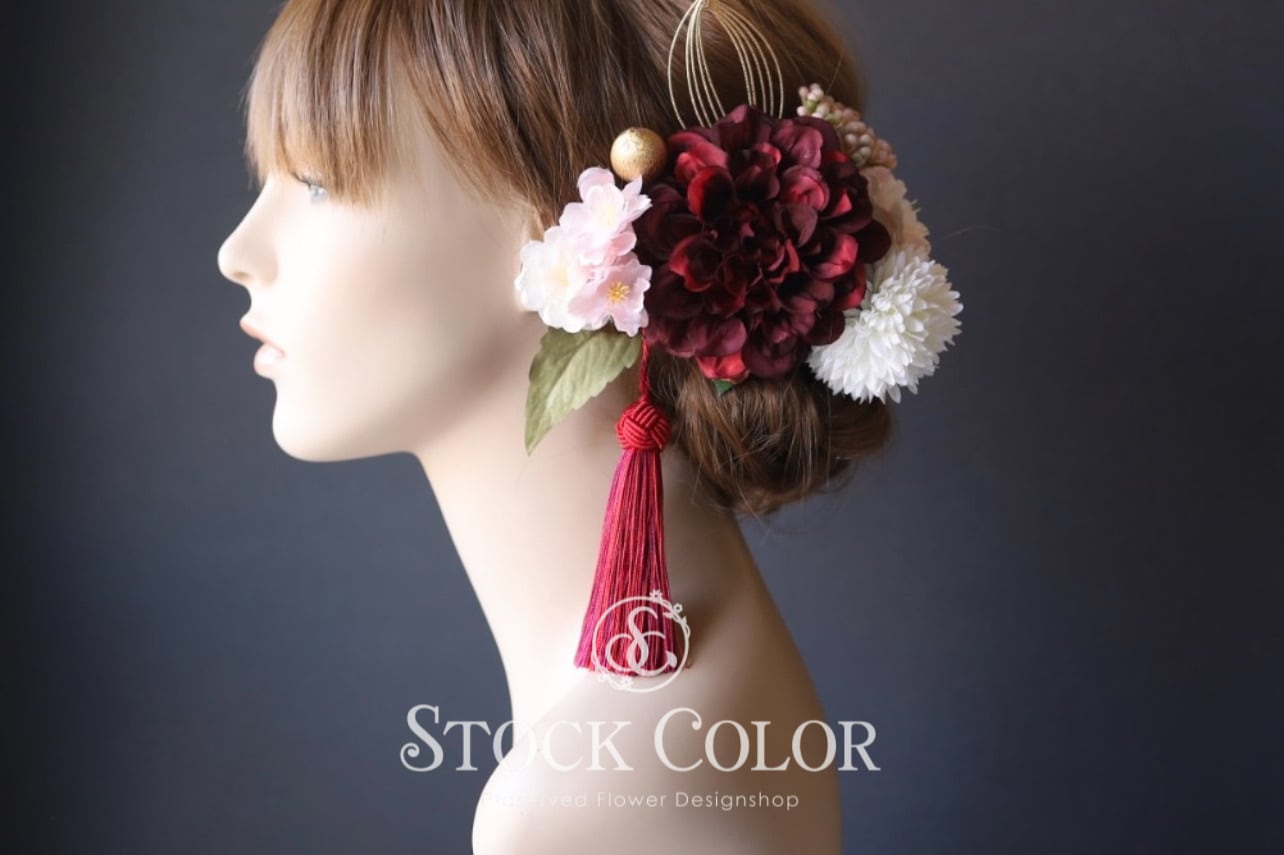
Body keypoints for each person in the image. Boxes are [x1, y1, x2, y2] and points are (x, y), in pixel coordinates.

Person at [216, 1, 959, 851]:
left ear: (562, 226)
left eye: (317, 182)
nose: (238, 251)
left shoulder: (586, 807)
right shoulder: (677, 715)